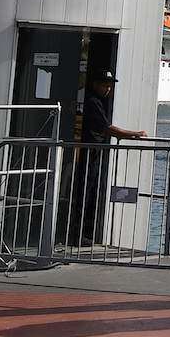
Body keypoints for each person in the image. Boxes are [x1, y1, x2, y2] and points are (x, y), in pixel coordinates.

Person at [65, 70, 148, 247]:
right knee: (84, 193)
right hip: (88, 153)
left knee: (89, 192)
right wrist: (134, 134)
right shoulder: (93, 101)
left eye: (110, 85)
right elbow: (107, 128)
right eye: (105, 84)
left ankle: (81, 233)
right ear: (95, 84)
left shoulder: (96, 101)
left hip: (93, 153)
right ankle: (76, 235)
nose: (108, 88)